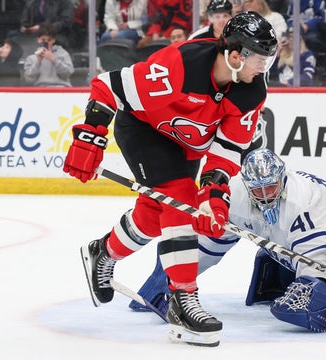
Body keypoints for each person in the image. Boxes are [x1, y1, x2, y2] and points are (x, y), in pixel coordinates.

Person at [62, 12, 278, 347]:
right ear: (237, 56)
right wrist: (90, 136)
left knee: (153, 215)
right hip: (144, 129)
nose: (264, 69)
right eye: (261, 60)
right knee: (180, 201)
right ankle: (182, 299)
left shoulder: (251, 91)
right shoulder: (179, 66)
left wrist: (214, 195)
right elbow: (108, 85)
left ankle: (103, 252)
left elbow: (227, 149)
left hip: (186, 147)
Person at [132, 149, 326, 333]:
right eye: (258, 189)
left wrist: (314, 285)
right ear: (246, 184)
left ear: (282, 178)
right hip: (309, 238)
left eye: (271, 186)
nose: (265, 194)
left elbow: (320, 257)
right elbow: (211, 246)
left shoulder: (302, 200)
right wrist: (170, 278)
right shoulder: (234, 197)